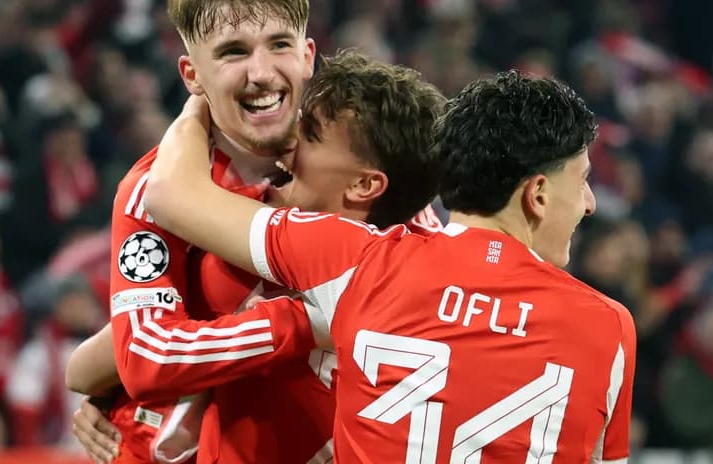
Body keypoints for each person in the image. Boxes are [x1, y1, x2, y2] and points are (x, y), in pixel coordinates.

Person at [143, 71, 637, 463]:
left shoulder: (356, 261)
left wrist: (201, 97)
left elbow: (168, 194)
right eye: (583, 181)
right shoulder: (606, 328)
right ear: (538, 194)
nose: (589, 202)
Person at [70, 49, 445, 464]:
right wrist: (113, 398)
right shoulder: (414, 243)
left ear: (364, 185)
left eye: (311, 135)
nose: (289, 142)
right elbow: (91, 367)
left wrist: (197, 107)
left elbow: (168, 197)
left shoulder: (281, 246)